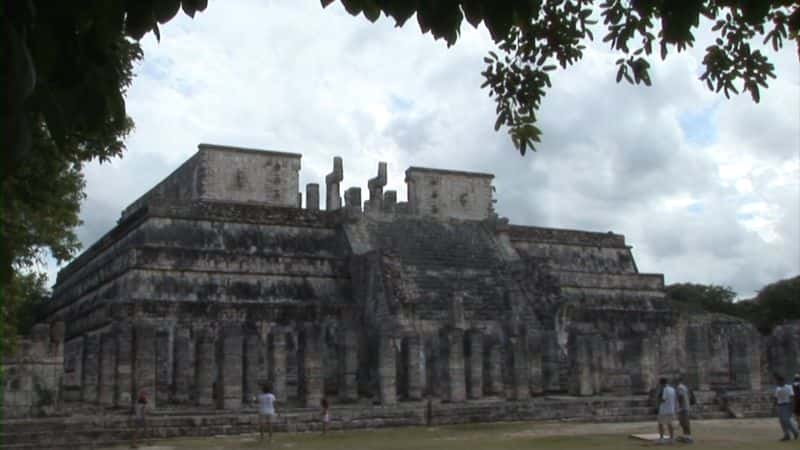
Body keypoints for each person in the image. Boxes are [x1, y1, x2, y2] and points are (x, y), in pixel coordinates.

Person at [774, 375, 799, 441]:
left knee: (786, 420)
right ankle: (786, 435)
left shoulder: (789, 387)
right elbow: (776, 398)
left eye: (778, 381)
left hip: (787, 405)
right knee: (782, 421)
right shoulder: (777, 388)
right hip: (780, 406)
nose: (778, 383)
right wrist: (774, 406)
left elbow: (792, 397)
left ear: (782, 381)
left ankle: (795, 432)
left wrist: (793, 406)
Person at [656, 377, 677, 444]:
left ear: (661, 383)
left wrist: (658, 399)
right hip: (671, 409)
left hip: (664, 410)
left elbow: (663, 399)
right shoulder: (672, 389)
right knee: (670, 423)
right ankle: (672, 438)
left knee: (661, 424)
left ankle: (661, 438)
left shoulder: (664, 389)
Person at [675, 375, 693, 444]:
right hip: (686, 407)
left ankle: (688, 437)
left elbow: (680, 396)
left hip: (683, 408)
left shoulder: (679, 387)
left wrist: (679, 407)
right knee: (685, 423)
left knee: (684, 423)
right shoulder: (685, 387)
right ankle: (686, 436)